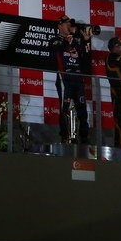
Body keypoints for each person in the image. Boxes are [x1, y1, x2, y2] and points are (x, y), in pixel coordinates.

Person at [50, 16, 93, 145]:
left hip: (78, 79)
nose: (69, 26)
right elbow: (57, 50)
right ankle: (64, 137)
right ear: (60, 26)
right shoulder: (55, 40)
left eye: (70, 24)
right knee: (65, 109)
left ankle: (84, 138)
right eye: (66, 24)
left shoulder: (77, 41)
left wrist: (86, 41)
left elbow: (86, 58)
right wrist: (69, 41)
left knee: (82, 109)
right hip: (65, 80)